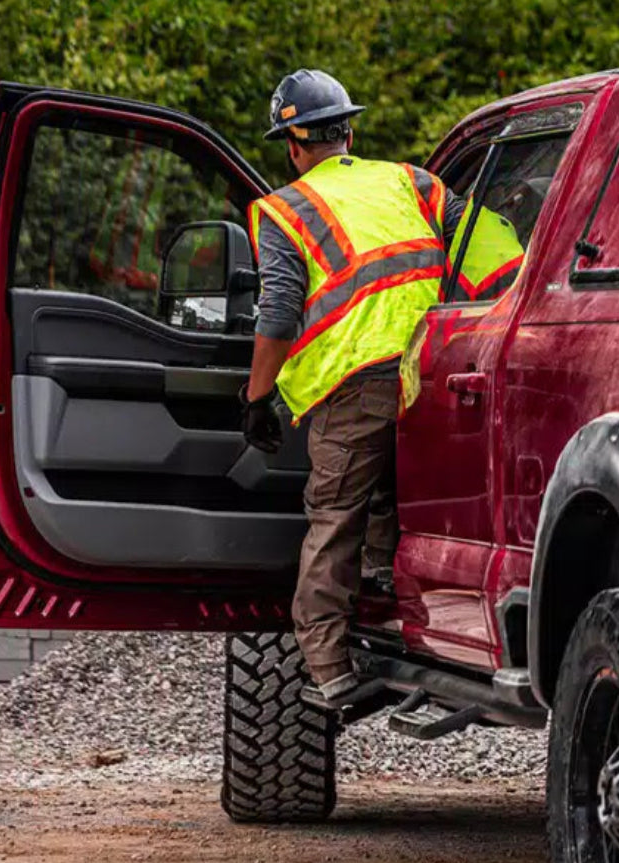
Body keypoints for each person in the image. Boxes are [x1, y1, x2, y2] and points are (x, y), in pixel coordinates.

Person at [239, 69, 466, 709]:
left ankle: (330, 669)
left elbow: (278, 314)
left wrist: (258, 399)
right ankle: (412, 614)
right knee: (408, 492)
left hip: (358, 380)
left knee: (335, 515)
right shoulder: (413, 181)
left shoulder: (285, 211)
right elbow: (485, 246)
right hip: (439, 368)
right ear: (349, 130)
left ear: (292, 143)